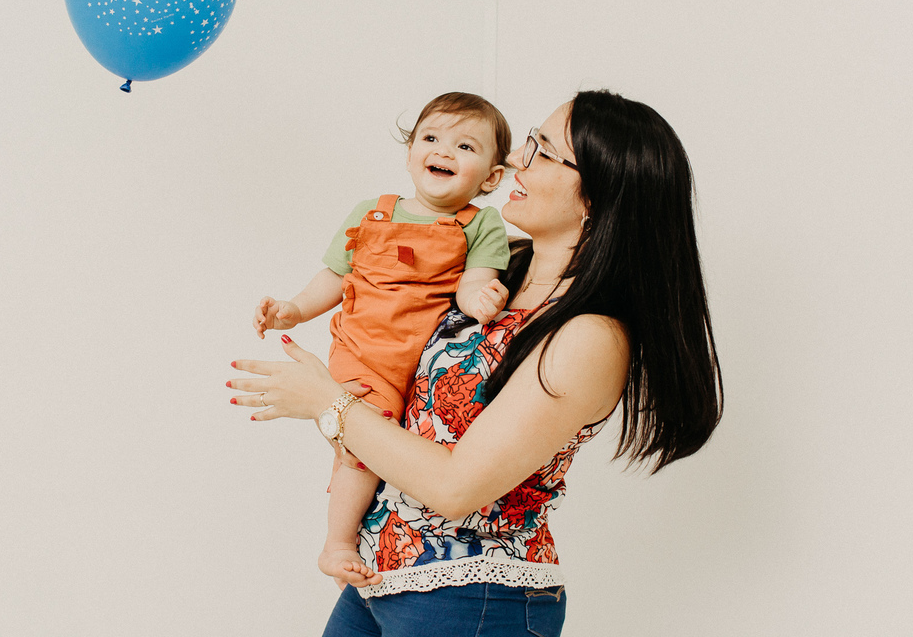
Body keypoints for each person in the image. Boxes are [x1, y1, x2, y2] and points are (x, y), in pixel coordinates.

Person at [230, 90, 724, 637]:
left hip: (475, 595)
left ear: (597, 197)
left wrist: (330, 402)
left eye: (542, 150)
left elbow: (456, 487)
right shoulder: (495, 268)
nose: (516, 159)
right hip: (379, 576)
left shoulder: (588, 336)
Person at [251, 92, 514, 588]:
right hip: (365, 350)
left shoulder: (482, 224)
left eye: (465, 146)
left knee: (395, 452)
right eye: (431, 138)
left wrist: (482, 297)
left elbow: (474, 281)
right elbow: (334, 275)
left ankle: (368, 535)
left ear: (492, 177)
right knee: (363, 441)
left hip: (419, 362)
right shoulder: (371, 212)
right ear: (411, 150)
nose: (444, 151)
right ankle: (338, 543)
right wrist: (294, 310)